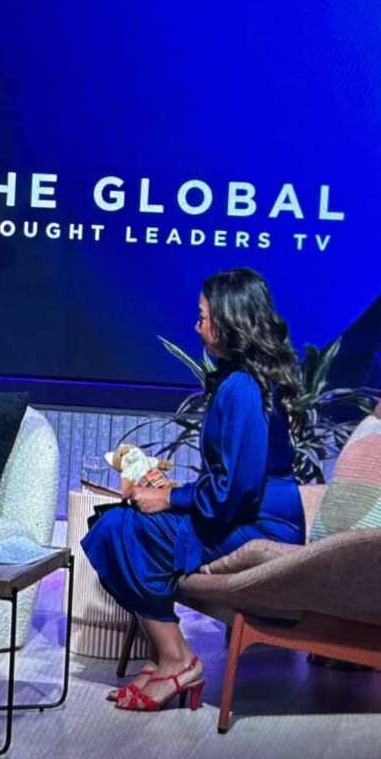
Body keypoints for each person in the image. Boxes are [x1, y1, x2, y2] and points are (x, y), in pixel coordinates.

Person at [82, 268, 305, 712]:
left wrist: (170, 498)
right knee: (117, 522)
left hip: (258, 526)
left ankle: (178, 660)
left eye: (203, 317)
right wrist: (174, 493)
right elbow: (231, 481)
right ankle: (166, 658)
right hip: (238, 514)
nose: (197, 326)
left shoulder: (243, 387)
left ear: (228, 322)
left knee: (122, 529)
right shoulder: (239, 380)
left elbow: (237, 492)